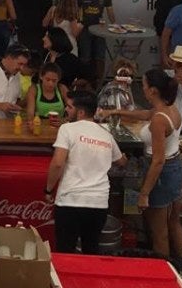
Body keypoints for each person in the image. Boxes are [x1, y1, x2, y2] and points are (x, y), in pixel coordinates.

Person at [102, 69, 182, 260]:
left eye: (145, 86)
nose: (143, 90)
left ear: (154, 91)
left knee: (159, 232)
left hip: (161, 175)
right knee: (174, 222)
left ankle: (161, 273)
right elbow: (146, 113)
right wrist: (115, 111)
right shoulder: (170, 108)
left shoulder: (158, 121)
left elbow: (158, 161)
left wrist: (144, 195)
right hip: (175, 169)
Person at [45, 90, 126, 255]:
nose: (66, 110)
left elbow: (57, 164)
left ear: (80, 112)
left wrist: (48, 189)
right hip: (99, 204)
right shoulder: (106, 135)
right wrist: (124, 157)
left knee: (65, 252)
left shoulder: (67, 129)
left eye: (69, 107)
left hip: (70, 201)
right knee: (91, 252)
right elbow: (121, 161)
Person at [77, 0, 115, 79]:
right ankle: (84, 80)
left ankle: (100, 82)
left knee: (100, 57)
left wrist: (115, 25)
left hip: (100, 29)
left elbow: (110, 12)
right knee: (85, 56)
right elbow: (77, 12)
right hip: (85, 28)